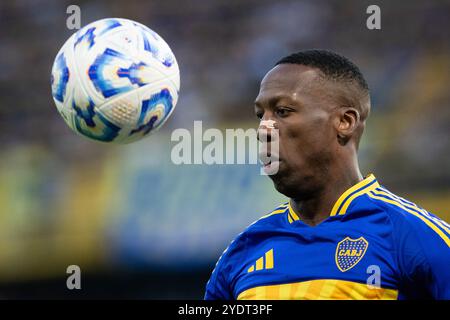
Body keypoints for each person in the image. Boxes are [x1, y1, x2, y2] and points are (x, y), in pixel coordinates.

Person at [204, 50, 450, 300]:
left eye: (282, 111)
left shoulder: (413, 237)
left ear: (345, 121)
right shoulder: (244, 251)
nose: (263, 130)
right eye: (260, 115)